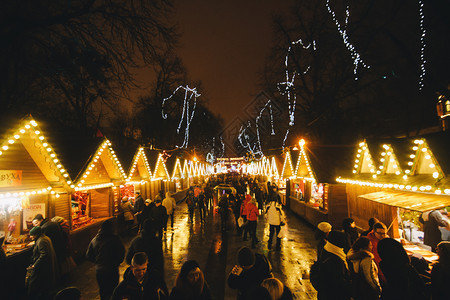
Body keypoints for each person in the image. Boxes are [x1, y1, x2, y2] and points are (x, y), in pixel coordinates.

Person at [86, 219, 125, 300]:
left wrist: (97, 262)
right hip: (112, 269)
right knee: (114, 290)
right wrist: (117, 262)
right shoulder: (115, 239)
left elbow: (89, 255)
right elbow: (121, 252)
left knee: (103, 290)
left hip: (99, 271)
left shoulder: (95, 240)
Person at [317, 230, 352, 300]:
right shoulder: (336, 259)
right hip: (334, 295)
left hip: (324, 293)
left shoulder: (327, 249)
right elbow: (340, 282)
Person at [27, 226, 58, 300]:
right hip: (45, 267)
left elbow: (44, 255)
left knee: (33, 285)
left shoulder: (41, 241)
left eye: (31, 235)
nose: (31, 237)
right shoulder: (44, 238)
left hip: (41, 267)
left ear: (36, 235)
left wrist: (35, 265)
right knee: (43, 286)